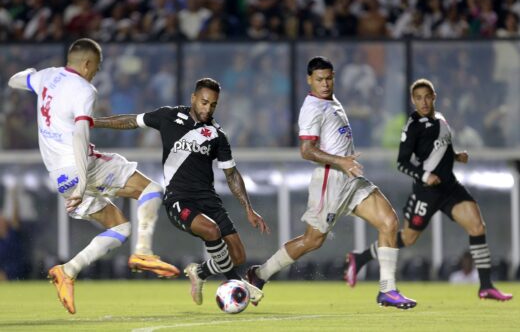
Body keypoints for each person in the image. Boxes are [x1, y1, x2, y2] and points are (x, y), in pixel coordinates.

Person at [7, 38, 180, 314]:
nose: (96, 73)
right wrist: (84, 183)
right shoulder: (84, 89)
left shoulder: (47, 76)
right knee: (152, 189)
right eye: (96, 68)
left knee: (120, 227)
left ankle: (68, 270)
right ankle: (144, 252)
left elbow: (15, 81)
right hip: (82, 168)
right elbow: (79, 136)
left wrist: (31, 76)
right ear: (87, 64)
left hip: (60, 177)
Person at [246, 56, 416, 309]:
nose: (324, 83)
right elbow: (306, 150)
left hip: (349, 177)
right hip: (330, 180)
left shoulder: (330, 100)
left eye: (328, 78)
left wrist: (345, 164)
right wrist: (341, 161)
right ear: (309, 80)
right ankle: (259, 275)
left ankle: (387, 291)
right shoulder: (312, 108)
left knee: (389, 222)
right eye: (319, 79)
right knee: (313, 240)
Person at [93, 77, 270, 306]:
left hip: (209, 200)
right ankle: (237, 283)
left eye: (213, 105)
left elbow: (232, 174)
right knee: (211, 230)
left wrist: (249, 208)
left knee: (238, 255)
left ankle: (200, 272)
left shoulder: (217, 134)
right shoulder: (169, 116)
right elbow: (130, 121)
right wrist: (94, 122)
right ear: (193, 98)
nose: (208, 109)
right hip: (179, 199)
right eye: (204, 102)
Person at [344, 78, 513, 301]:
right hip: (426, 193)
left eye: (427, 97)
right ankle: (361, 257)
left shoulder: (442, 120)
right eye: (418, 98)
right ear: (413, 101)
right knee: (407, 238)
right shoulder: (412, 127)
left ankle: (485, 286)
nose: (423, 102)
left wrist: (455, 156)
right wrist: (425, 175)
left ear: (434, 97)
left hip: (450, 188)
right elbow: (402, 162)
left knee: (477, 225)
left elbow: (441, 149)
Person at [0, 186, 25, 281]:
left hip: (15, 269)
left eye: (2, 221)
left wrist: (14, 197)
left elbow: (16, 217)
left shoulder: (12, 234)